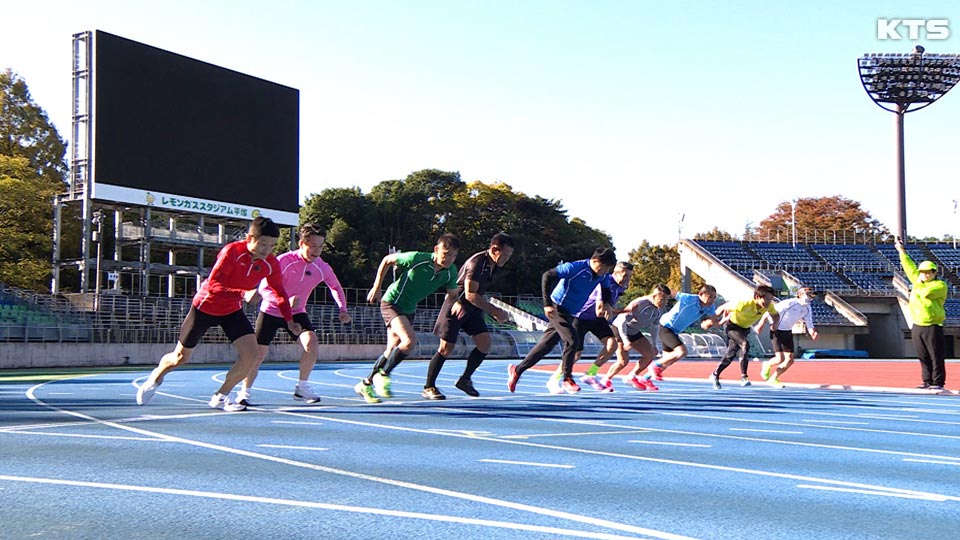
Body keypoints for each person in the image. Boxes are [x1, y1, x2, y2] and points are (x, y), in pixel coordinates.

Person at [136, 216, 301, 412]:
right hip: (205, 306)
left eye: (272, 246)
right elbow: (214, 286)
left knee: (252, 355)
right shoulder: (231, 252)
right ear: (249, 238)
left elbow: (280, 293)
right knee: (180, 357)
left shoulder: (270, 263)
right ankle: (156, 376)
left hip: (231, 310)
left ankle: (221, 396)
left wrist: (289, 319)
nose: (267, 250)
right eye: (263, 244)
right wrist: (242, 293)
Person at [237, 224, 352, 406]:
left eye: (321, 246)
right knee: (257, 354)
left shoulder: (322, 267)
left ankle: (302, 387)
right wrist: (283, 301)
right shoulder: (284, 261)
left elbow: (335, 287)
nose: (317, 250)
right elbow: (265, 288)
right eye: (313, 245)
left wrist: (343, 309)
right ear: (302, 243)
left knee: (311, 343)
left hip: (298, 312)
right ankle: (245, 392)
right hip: (271, 311)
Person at [356, 234, 460, 403]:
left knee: (392, 350)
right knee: (409, 341)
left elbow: (452, 294)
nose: (449, 258)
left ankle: (366, 383)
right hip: (392, 302)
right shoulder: (417, 258)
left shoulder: (450, 272)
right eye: (446, 253)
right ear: (436, 249)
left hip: (409, 309)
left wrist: (457, 303)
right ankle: (383, 375)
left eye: (453, 255)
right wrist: (377, 287)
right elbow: (387, 260)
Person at [506, 247, 617, 394]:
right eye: (604, 268)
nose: (606, 272)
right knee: (572, 341)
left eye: (609, 269)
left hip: (571, 312)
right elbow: (547, 275)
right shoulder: (574, 268)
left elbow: (606, 290)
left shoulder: (601, 275)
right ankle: (567, 379)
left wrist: (608, 304)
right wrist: (547, 304)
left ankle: (517, 370)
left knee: (546, 345)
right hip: (557, 307)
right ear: (595, 261)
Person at [424, 232, 515, 400]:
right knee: (446, 349)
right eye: (505, 255)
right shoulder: (478, 263)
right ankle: (429, 386)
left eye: (509, 256)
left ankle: (465, 379)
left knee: (484, 344)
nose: (506, 260)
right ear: (495, 249)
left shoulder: (492, 265)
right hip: (456, 306)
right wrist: (494, 311)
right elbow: (470, 294)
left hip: (472, 309)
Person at [550, 261, 633, 393]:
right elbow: (599, 311)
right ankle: (554, 379)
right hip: (581, 317)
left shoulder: (622, 287)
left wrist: (613, 311)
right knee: (575, 355)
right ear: (615, 273)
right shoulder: (605, 283)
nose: (627, 279)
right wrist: (620, 311)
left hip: (596, 320)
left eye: (629, 276)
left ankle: (590, 373)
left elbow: (604, 312)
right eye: (625, 275)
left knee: (612, 345)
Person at [896, 237, 947, 390]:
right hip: (917, 324)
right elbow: (908, 265)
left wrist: (916, 285)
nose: (924, 275)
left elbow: (926, 293)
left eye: (927, 272)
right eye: (922, 272)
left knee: (935, 355)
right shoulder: (918, 281)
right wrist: (901, 250)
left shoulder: (940, 285)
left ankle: (938, 382)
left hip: (932, 324)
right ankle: (927, 381)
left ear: (933, 273)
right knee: (922, 355)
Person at [643, 284, 719, 385]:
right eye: (710, 297)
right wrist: (657, 294)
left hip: (674, 331)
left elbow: (711, 322)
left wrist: (717, 321)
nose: (712, 300)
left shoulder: (710, 307)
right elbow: (671, 292)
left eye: (714, 297)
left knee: (667, 361)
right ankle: (654, 365)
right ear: (701, 294)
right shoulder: (688, 299)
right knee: (682, 352)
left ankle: (645, 378)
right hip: (666, 327)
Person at [709, 285, 779, 389]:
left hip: (744, 329)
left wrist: (774, 324)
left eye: (770, 299)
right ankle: (744, 377)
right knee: (745, 344)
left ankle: (715, 374)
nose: (768, 302)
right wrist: (711, 320)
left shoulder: (769, 306)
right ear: (757, 297)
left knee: (730, 355)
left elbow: (776, 316)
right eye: (766, 299)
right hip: (731, 326)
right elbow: (722, 307)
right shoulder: (744, 304)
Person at [610, 283, 672, 392]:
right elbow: (621, 321)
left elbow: (654, 327)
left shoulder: (659, 309)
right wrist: (625, 340)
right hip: (619, 330)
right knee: (622, 361)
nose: (664, 303)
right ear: (654, 296)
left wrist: (654, 344)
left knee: (650, 354)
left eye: (666, 300)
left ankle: (632, 376)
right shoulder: (640, 303)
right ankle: (598, 376)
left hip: (634, 332)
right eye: (662, 299)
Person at [756, 286, 818, 388]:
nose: (811, 298)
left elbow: (809, 323)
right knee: (779, 358)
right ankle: (767, 364)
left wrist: (812, 332)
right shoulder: (789, 303)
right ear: (801, 295)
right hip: (776, 330)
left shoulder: (807, 308)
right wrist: (760, 325)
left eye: (812, 296)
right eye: (809, 295)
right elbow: (769, 312)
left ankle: (774, 378)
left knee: (790, 360)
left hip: (787, 332)